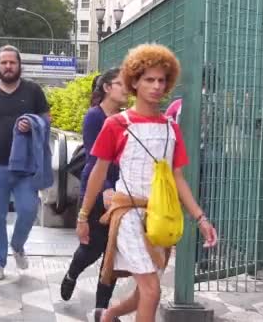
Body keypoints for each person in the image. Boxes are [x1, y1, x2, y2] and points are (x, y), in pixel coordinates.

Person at [77, 44, 218, 322]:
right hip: (127, 214)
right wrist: (83, 215)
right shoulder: (116, 124)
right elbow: (96, 172)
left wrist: (201, 219)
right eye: (148, 79)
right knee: (152, 291)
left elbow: (179, 178)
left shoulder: (171, 127)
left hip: (159, 218)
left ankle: (107, 316)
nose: (156, 86)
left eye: (161, 80)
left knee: (144, 293)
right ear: (134, 82)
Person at [0, 45, 50, 280]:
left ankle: (18, 244)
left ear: (19, 65)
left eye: (12, 62)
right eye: (3, 62)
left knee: (28, 210)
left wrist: (32, 123)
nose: (8, 66)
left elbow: (46, 123)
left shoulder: (33, 91)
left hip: (26, 165)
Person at [60, 68, 128, 312]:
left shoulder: (127, 119)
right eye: (121, 84)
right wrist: (107, 189)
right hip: (97, 190)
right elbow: (94, 159)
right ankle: (72, 273)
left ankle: (102, 310)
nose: (126, 88)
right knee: (92, 248)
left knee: (113, 255)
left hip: (122, 195)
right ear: (108, 88)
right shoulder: (94, 117)